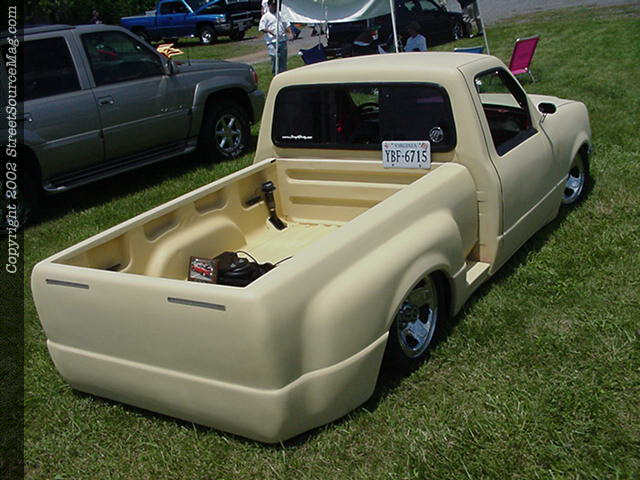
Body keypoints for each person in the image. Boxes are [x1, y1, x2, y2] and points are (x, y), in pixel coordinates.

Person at [259, 0, 292, 75]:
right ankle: (275, 73)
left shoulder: (280, 14)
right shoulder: (265, 16)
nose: (274, 7)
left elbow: (286, 24)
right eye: (272, 5)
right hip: (272, 41)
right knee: (274, 57)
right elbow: (262, 28)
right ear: (269, 6)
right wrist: (270, 31)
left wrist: (290, 32)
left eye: (275, 5)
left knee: (283, 58)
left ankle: (283, 73)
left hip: (282, 40)